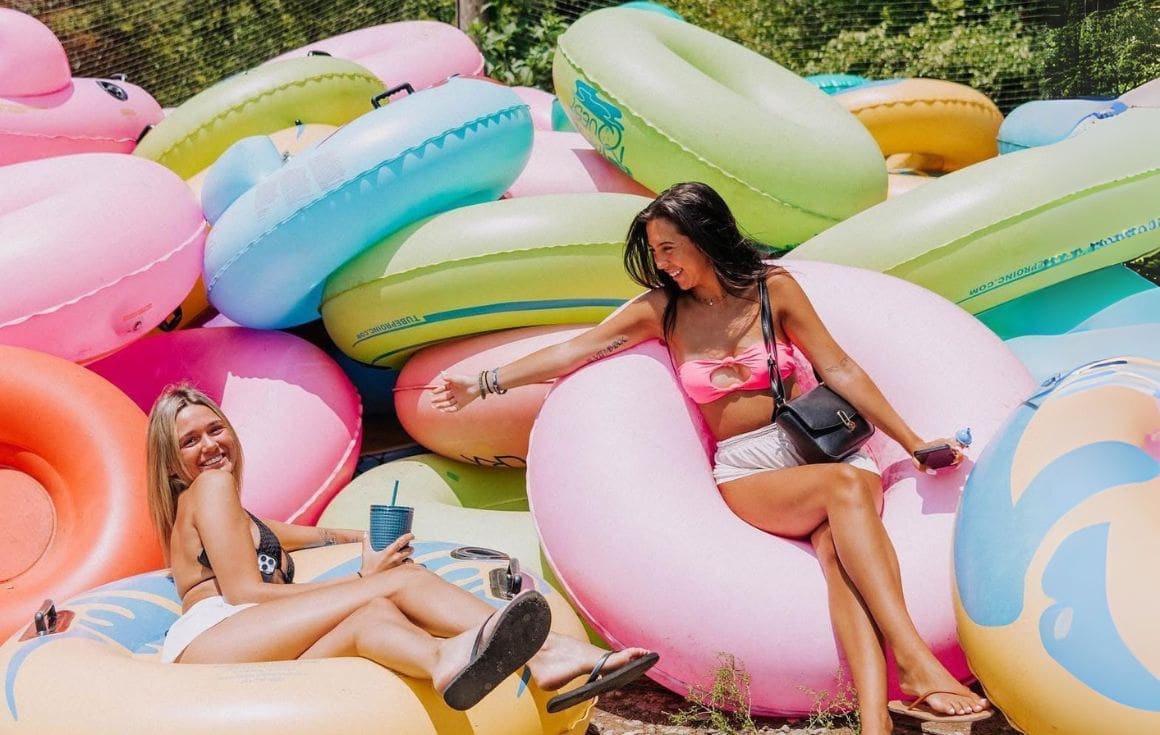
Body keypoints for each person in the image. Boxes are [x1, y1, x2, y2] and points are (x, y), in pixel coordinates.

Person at [432, 182, 992, 732]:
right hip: (752, 470)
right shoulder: (663, 311)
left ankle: (874, 720)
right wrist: (483, 382)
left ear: (704, 237)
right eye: (654, 251)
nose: (661, 263)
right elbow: (574, 350)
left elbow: (839, 367)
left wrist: (912, 442)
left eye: (669, 248)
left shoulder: (774, 290)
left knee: (836, 553)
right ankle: (914, 661)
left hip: (821, 447)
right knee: (843, 490)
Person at [146, 384, 658, 713]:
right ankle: (550, 652)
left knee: (373, 616)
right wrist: (367, 579)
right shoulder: (209, 490)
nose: (210, 446)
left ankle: (440, 659)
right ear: (171, 463)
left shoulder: (233, 514)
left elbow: (316, 535)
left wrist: (361, 542)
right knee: (400, 582)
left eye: (216, 429)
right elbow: (244, 593)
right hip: (216, 637)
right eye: (190, 441)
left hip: (236, 651)